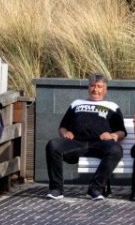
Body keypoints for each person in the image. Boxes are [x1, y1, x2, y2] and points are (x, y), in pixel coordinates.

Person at [45, 73, 126, 201]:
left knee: (116, 150)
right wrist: (65, 133)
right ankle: (56, 189)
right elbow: (62, 126)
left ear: (105, 89)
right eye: (92, 86)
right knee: (53, 145)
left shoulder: (112, 106)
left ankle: (95, 189)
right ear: (88, 87)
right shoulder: (76, 104)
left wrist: (112, 135)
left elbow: (122, 131)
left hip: (100, 144)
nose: (95, 89)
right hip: (76, 143)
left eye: (99, 86)